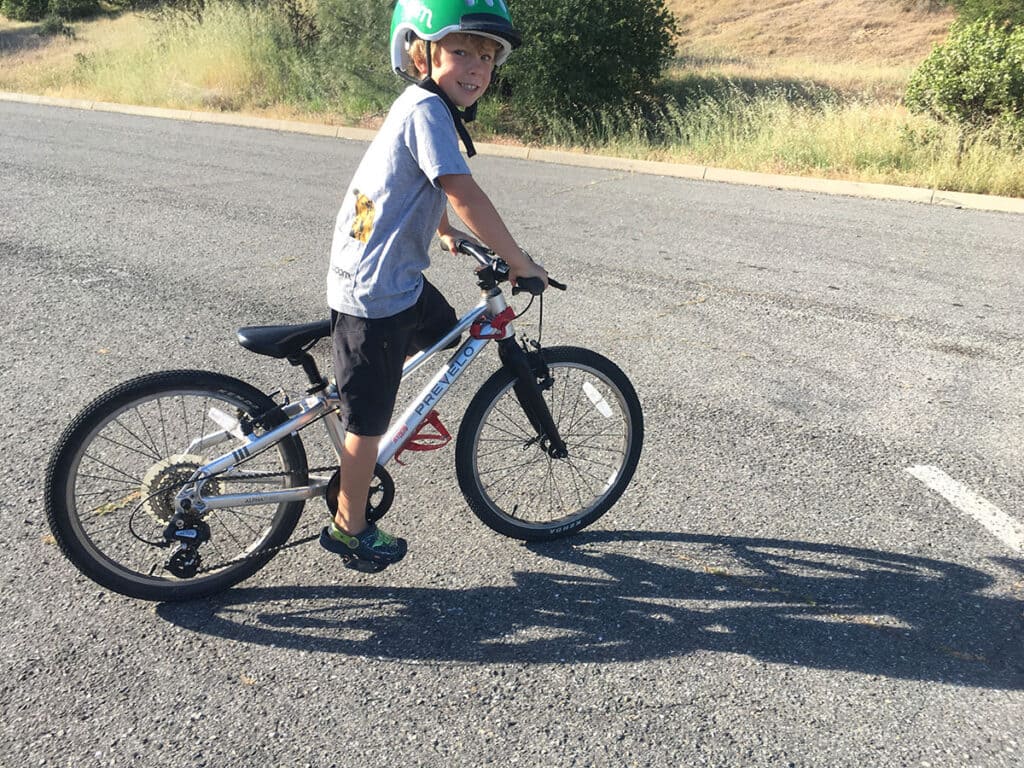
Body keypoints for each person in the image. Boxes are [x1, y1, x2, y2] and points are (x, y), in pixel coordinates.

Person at [320, 0, 548, 572]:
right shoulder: (427, 109)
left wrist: (442, 231)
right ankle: (350, 527)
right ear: (420, 52)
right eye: (461, 51)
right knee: (366, 424)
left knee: (448, 333)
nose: (476, 67)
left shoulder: (421, 108)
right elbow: (462, 190)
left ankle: (388, 402)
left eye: (487, 57)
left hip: (392, 279)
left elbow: (415, 183)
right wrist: (518, 261)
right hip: (374, 292)